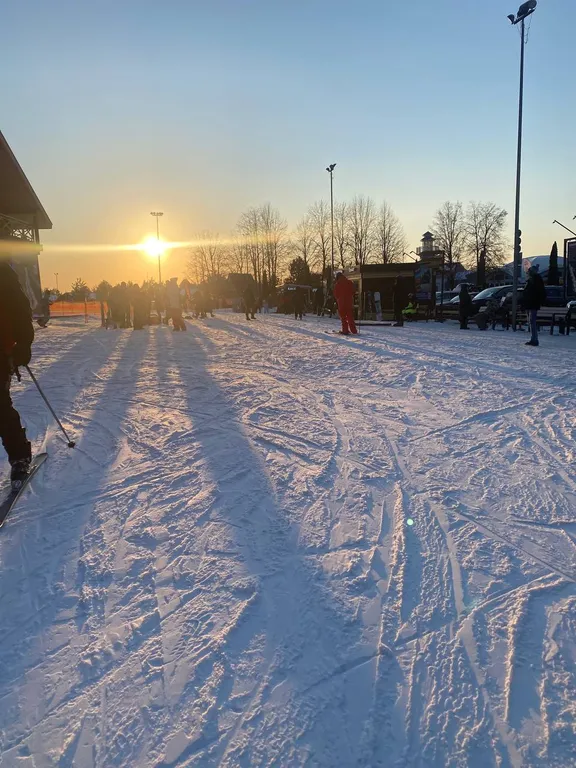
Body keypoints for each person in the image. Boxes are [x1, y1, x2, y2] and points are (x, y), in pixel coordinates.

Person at [0, 260, 34, 489]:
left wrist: (23, 344)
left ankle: (20, 456)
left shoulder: (3, 273)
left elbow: (21, 310)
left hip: (1, 349)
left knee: (0, 406)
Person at [522, 264, 546, 346]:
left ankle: (534, 339)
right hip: (531, 303)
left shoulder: (534, 280)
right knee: (531, 321)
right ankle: (533, 338)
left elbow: (538, 292)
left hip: (532, 303)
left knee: (532, 321)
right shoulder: (533, 280)